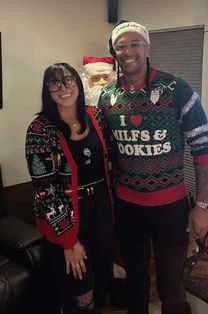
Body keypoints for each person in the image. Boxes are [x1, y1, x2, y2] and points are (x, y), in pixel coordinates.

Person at [98, 20, 208, 314]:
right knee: (135, 282)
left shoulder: (176, 88)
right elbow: (103, 150)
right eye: (120, 45)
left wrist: (201, 204)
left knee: (171, 285)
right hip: (127, 210)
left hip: (171, 209)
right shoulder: (106, 97)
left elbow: (204, 146)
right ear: (114, 51)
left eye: (135, 43)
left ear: (147, 47)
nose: (128, 51)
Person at [25, 62, 114, 314]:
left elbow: (111, 163)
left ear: (78, 82)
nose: (63, 87)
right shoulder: (39, 130)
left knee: (100, 282)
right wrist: (68, 241)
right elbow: (45, 190)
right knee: (80, 295)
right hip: (67, 216)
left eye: (69, 80)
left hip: (101, 210)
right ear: (47, 90)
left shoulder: (95, 116)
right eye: (55, 82)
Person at [81, 56, 127, 309]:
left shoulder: (119, 107)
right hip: (93, 192)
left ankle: (120, 287)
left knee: (120, 239)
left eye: (104, 78)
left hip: (121, 185)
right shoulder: (80, 116)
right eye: (94, 78)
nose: (99, 83)